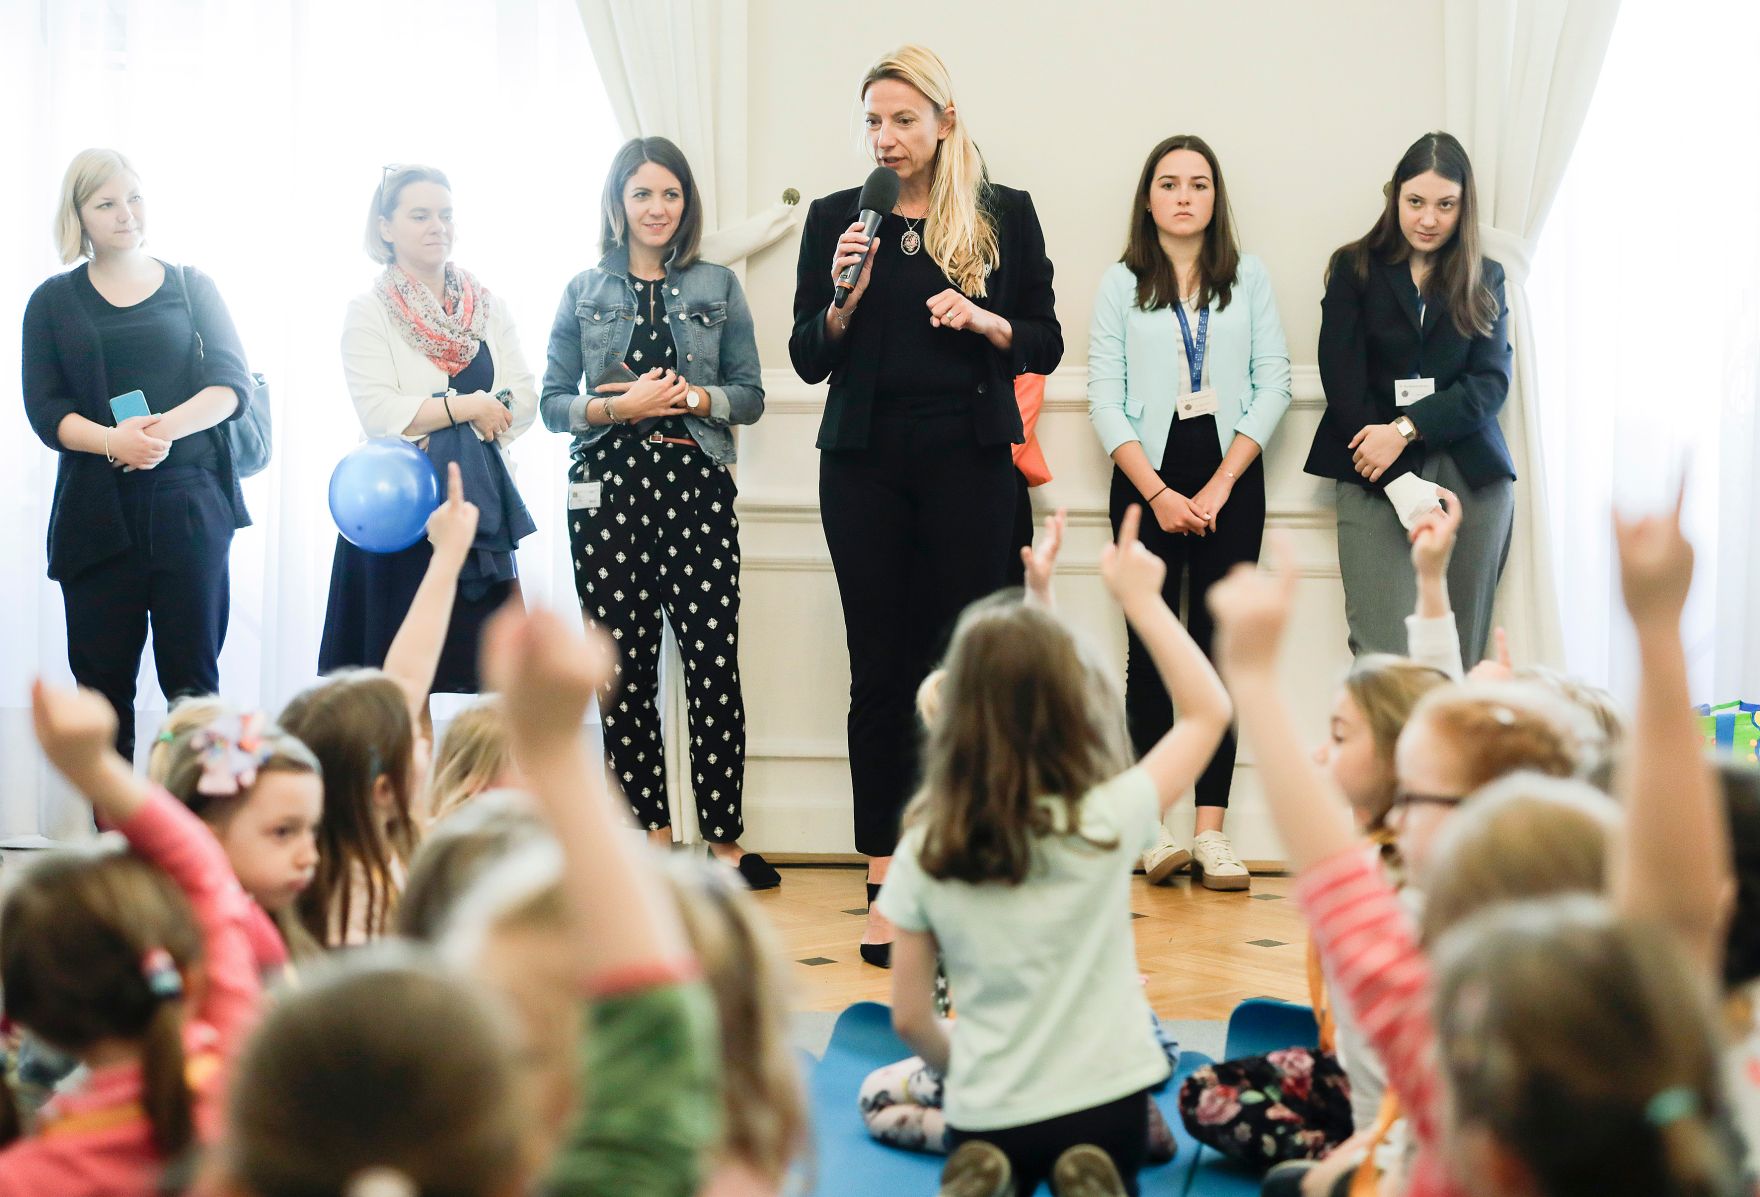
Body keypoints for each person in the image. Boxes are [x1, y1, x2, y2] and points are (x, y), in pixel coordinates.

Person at [790, 44, 1062, 965]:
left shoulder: (1002, 215)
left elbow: (1047, 340)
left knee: (968, 676)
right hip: (864, 467)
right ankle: (885, 879)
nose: (887, 136)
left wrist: (986, 321)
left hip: (972, 469)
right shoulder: (841, 217)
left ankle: (971, 868)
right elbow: (807, 355)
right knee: (881, 669)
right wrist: (840, 299)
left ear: (945, 120)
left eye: (904, 118)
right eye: (873, 120)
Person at [880, 506, 1232, 1197]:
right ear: (1072, 705)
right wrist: (1142, 601)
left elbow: (910, 1017)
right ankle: (1083, 1161)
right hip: (1107, 1102)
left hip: (990, 1110)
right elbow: (1208, 712)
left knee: (888, 1093)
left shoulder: (927, 844)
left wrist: (975, 1071)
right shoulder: (1105, 815)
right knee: (1121, 1123)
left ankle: (1000, 1169)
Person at [540, 137, 774, 886]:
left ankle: (726, 841)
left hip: (695, 487)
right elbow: (551, 404)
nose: (657, 208)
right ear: (618, 203)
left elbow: (752, 394)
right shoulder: (582, 290)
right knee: (622, 669)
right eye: (642, 194)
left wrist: (694, 399)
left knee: (713, 665)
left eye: (670, 194)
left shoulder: (718, 285)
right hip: (605, 496)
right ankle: (650, 837)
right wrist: (618, 405)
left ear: (686, 203)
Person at [1088, 133, 1292, 890]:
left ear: (1215, 198)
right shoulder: (1120, 283)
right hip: (1147, 477)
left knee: (1217, 650)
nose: (1183, 196)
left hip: (1230, 475)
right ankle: (1150, 830)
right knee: (1149, 652)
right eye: (1169, 183)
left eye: (1198, 184)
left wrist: (1217, 485)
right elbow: (1105, 401)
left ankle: (1211, 833)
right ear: (1149, 198)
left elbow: (1273, 383)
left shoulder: (1249, 279)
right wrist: (1162, 494)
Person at [21, 148, 254, 762]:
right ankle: (117, 845)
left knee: (196, 689)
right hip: (97, 516)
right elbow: (45, 410)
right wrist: (110, 440)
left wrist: (160, 433)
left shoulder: (190, 284)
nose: (126, 213)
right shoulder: (51, 302)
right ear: (79, 216)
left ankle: (195, 841)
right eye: (106, 203)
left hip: (191, 504)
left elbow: (233, 385)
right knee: (101, 693)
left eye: (134, 196)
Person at [0, 679, 262, 1196]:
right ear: (184, 971)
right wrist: (93, 766)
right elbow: (201, 868)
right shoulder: (239, 1069)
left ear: (33, 1019)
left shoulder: (25, 1176)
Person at [318, 164, 539, 714]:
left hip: (478, 512)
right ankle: (408, 799)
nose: (436, 226)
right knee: (401, 693)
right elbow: (380, 413)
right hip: (399, 517)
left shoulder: (487, 306)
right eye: (420, 215)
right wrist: (471, 406)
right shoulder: (367, 311)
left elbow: (525, 399)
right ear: (386, 227)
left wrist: (481, 410)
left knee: (496, 692)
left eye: (445, 214)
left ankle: (475, 799)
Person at [1305, 132, 1513, 668]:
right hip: (1371, 464)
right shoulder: (1353, 269)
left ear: (1463, 209)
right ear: (1394, 197)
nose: (1428, 218)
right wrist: (1393, 470)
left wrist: (1406, 428)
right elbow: (1343, 379)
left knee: (1458, 657)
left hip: (1471, 472)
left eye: (1446, 205)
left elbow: (1489, 384)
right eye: (1415, 202)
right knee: (1382, 660)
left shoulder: (1485, 276)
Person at [285, 463, 480, 947]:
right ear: (380, 790)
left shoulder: (385, 841)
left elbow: (406, 680)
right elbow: (404, 685)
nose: (421, 738)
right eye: (412, 739)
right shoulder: (353, 893)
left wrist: (448, 559)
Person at [150, 701, 323, 975]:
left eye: (312, 830)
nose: (310, 857)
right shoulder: (192, 943)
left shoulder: (275, 915)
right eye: (283, 832)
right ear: (207, 839)